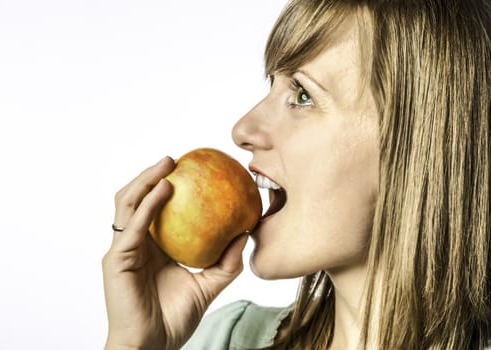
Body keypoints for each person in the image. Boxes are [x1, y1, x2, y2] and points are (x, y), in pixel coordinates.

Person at [102, 0, 491, 349]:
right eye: (272, 83)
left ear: (420, 146)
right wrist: (134, 344)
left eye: (303, 95)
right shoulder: (226, 339)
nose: (243, 128)